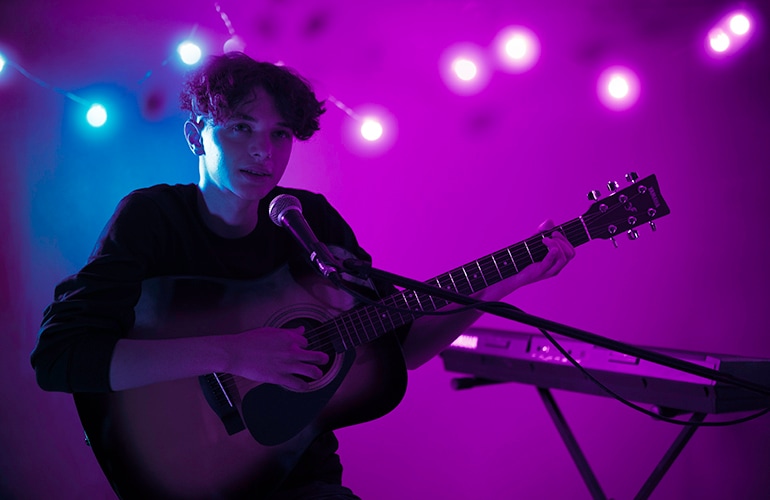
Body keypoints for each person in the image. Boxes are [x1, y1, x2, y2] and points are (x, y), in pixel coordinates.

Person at [31, 51, 575, 499]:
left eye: (280, 133)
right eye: (241, 127)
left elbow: (391, 354)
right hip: (183, 474)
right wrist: (233, 352)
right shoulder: (153, 219)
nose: (263, 151)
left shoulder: (307, 220)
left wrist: (502, 284)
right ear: (197, 136)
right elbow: (60, 358)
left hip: (303, 483)